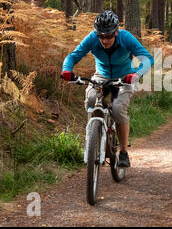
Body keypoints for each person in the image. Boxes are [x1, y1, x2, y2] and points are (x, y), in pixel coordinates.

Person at [61, 10, 154, 167]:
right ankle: (95, 139)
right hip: (101, 76)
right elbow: (73, 56)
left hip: (125, 77)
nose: (105, 40)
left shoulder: (126, 38)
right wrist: (67, 69)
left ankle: (123, 152)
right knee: (91, 99)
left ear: (116, 31)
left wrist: (136, 74)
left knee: (117, 109)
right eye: (101, 36)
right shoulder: (92, 38)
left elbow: (147, 59)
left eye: (109, 36)